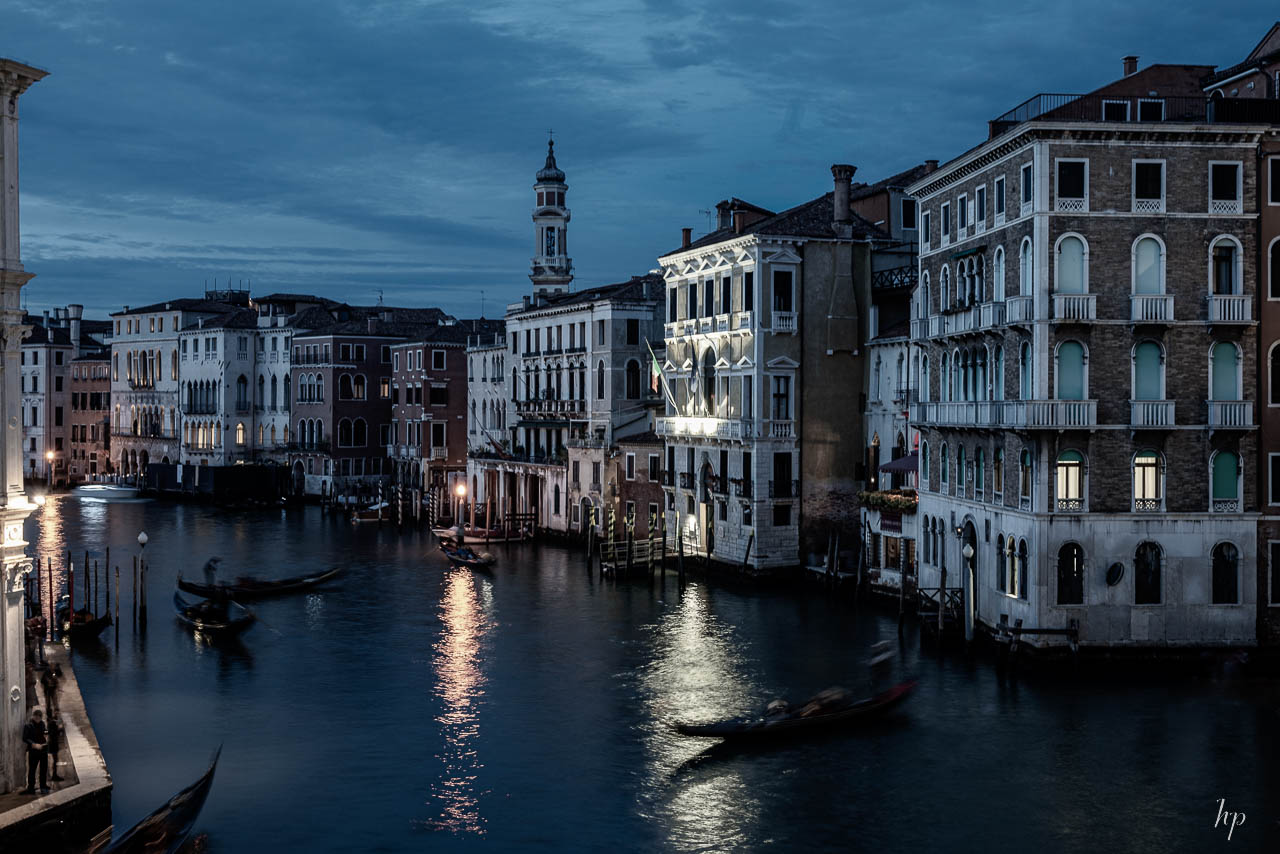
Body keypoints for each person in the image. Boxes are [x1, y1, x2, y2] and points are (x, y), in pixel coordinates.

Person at [21, 707, 49, 795]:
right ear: (33, 716)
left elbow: (45, 731)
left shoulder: (42, 723)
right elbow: (25, 738)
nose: (38, 718)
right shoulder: (28, 725)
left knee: (43, 769)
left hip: (43, 750)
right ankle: (31, 788)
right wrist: (33, 744)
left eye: (39, 717)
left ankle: (43, 786)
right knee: (32, 769)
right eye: (36, 716)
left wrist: (47, 734)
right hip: (34, 751)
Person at [46, 711, 64, 782]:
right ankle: (53, 775)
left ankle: (53, 774)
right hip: (52, 744)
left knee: (55, 760)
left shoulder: (52, 723)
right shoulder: (52, 723)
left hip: (53, 743)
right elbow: (53, 733)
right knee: (54, 759)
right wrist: (60, 729)